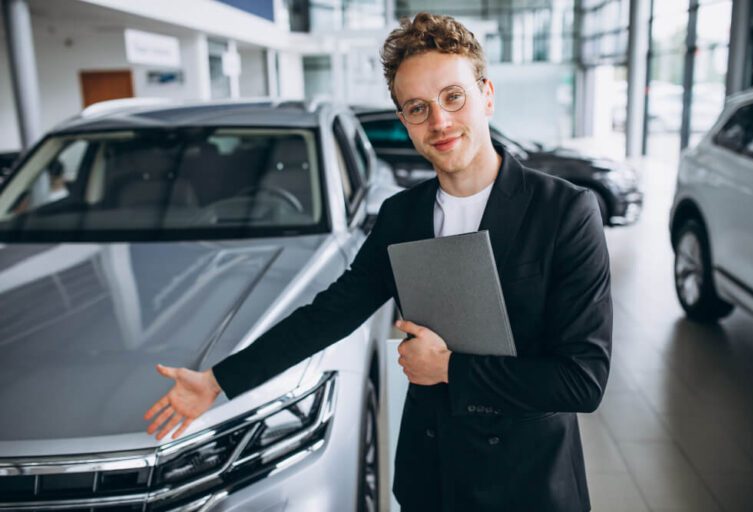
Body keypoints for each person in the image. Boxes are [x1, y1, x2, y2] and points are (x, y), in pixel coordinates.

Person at [144, 12, 611, 512]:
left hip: (527, 482)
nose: (440, 122)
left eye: (453, 97)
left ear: (486, 95)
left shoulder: (564, 211)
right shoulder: (402, 215)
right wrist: (217, 381)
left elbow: (582, 380)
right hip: (430, 477)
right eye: (417, 108)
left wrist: (451, 368)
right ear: (404, 119)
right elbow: (331, 313)